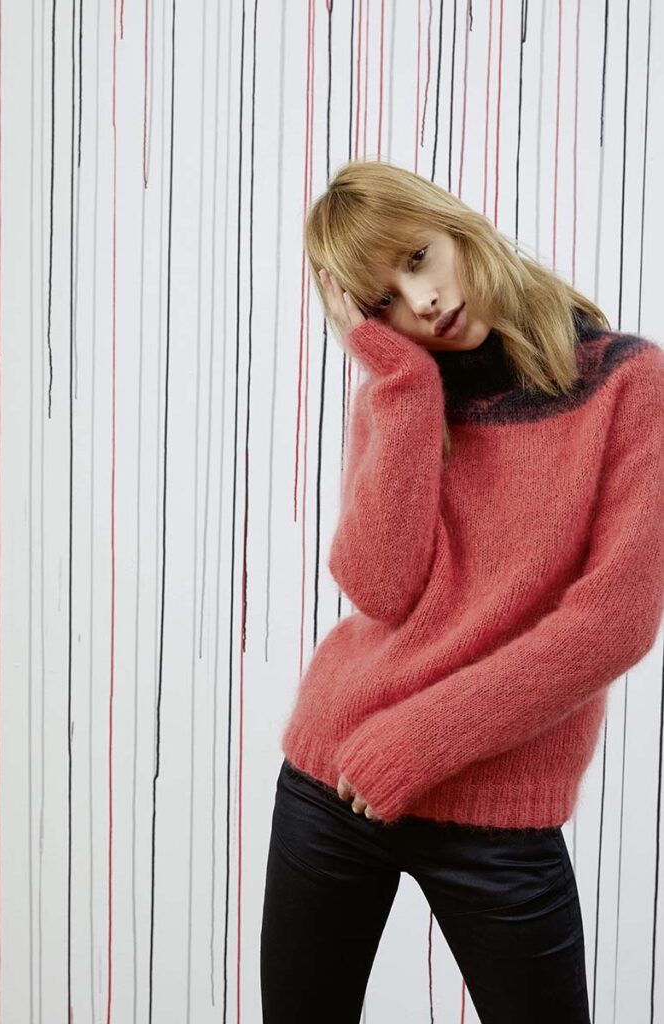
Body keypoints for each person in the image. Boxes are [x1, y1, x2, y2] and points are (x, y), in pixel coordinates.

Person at [259, 159, 664, 1023]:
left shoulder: (626, 381)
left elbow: (614, 622)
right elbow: (381, 590)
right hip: (333, 786)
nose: (423, 301)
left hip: (494, 818)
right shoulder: (397, 397)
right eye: (382, 303)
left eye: (417, 257)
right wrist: (403, 387)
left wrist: (418, 742)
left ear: (453, 225)